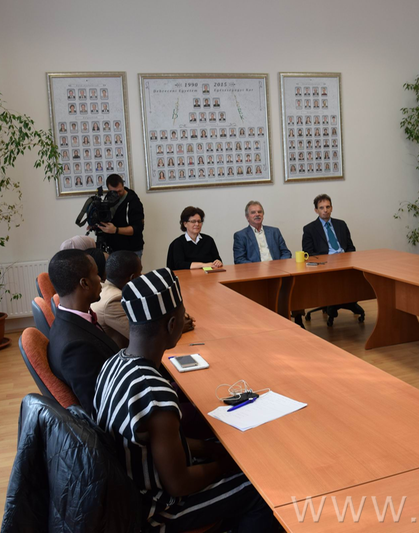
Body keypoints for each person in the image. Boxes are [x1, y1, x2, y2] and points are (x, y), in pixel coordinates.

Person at [92, 269, 275, 532]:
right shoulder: (155, 393)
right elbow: (179, 484)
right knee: (260, 487)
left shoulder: (113, 363)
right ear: (171, 324)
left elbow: (162, 443)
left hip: (131, 492)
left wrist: (213, 450)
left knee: (223, 448)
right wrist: (227, 464)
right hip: (159, 511)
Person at [47, 250, 119, 416]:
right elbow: (100, 410)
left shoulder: (68, 321)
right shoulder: (76, 348)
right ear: (85, 283)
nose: (101, 279)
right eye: (96, 274)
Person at [301, 194, 364, 322]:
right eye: (321, 207)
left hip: (344, 261)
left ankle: (348, 300)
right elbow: (308, 253)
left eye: (328, 207)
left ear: (332, 208)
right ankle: (332, 302)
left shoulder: (341, 224)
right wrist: (326, 260)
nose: (325, 210)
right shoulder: (309, 229)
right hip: (325, 264)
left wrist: (348, 258)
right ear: (316, 210)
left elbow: (351, 247)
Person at [96, 174, 145, 258]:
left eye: (120, 191)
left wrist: (116, 230)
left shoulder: (133, 202)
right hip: (112, 248)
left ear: (123, 185)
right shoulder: (108, 200)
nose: (117, 194)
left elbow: (137, 228)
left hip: (131, 249)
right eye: (114, 192)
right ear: (109, 189)